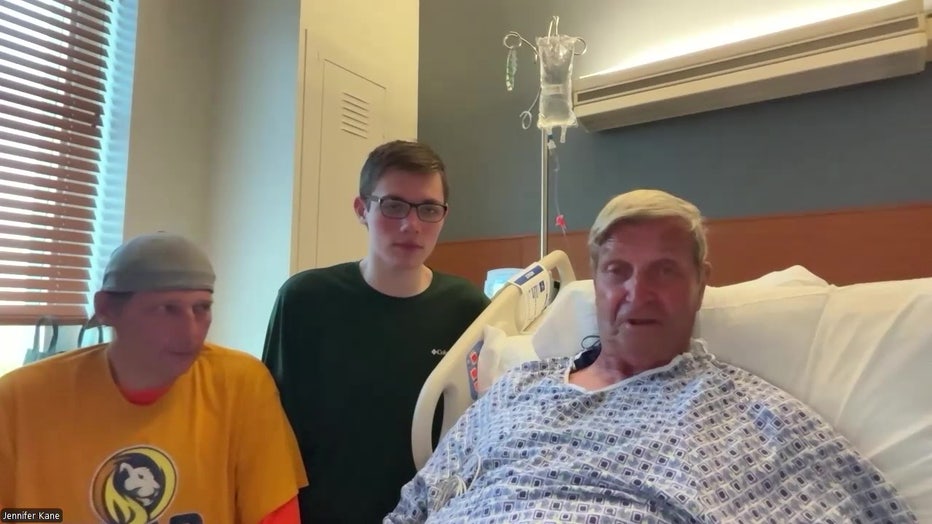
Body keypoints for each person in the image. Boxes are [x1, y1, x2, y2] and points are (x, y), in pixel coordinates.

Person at [384, 189, 918, 523]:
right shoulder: (517, 389)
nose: (638, 294)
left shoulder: (754, 418)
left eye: (664, 270)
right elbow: (417, 505)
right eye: (618, 271)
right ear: (597, 285)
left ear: (700, 284)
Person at [0, 232, 308, 523]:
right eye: (166, 310)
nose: (190, 332)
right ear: (106, 309)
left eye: (201, 308)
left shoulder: (240, 384)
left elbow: (274, 514)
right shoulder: (21, 399)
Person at [262, 140, 491, 522]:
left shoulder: (468, 310)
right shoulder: (305, 301)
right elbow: (271, 433)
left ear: (443, 216)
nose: (411, 225)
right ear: (361, 209)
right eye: (394, 205)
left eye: (428, 209)